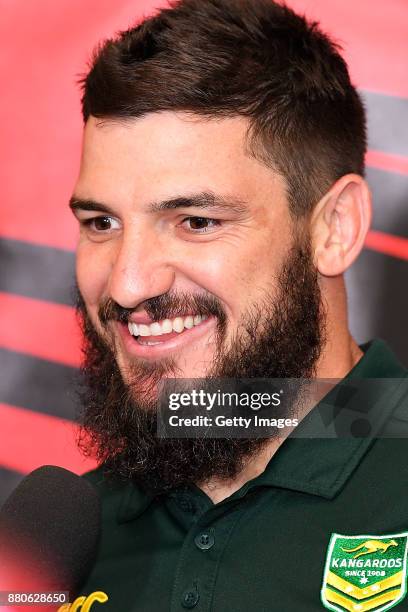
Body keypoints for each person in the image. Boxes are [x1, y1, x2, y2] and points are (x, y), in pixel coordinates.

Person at [67, 0, 408, 610]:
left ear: (334, 228)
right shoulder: (62, 542)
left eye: (195, 221)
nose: (127, 283)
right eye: (101, 222)